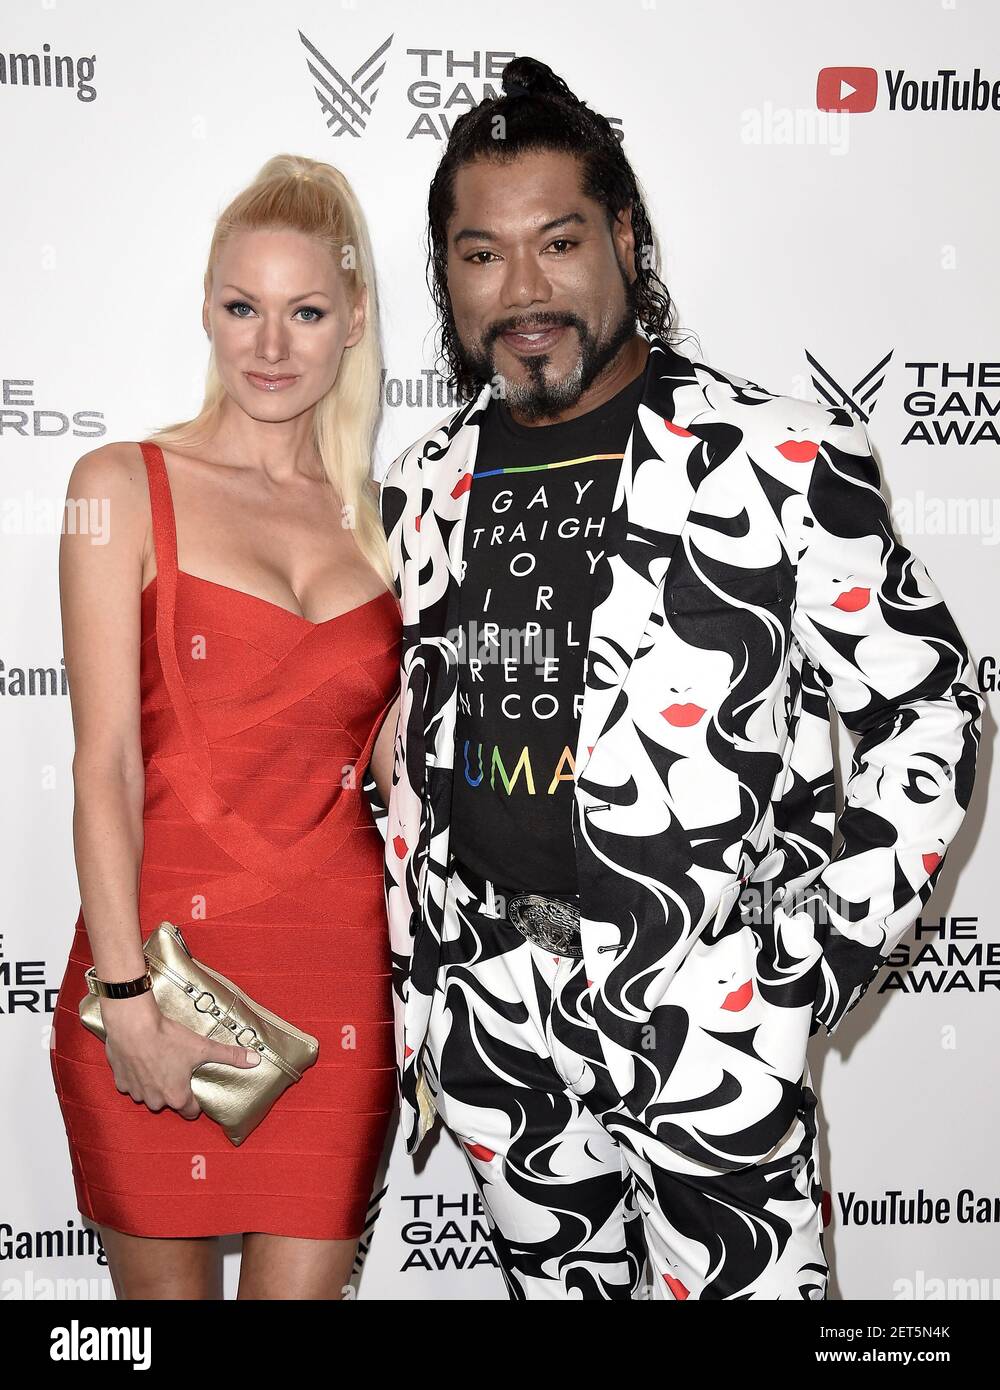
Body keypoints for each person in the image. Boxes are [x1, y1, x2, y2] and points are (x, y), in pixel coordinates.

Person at [364, 57, 986, 1299]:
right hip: (496, 1016)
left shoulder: (781, 454)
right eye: (481, 255)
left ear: (626, 238)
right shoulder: (418, 484)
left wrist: (799, 961)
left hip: (707, 1012)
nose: (523, 290)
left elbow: (931, 706)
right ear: (446, 274)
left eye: (558, 242)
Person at [49, 154, 403, 1301]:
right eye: (242, 307)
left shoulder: (387, 530)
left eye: (305, 312)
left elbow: (391, 762)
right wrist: (124, 999)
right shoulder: (120, 482)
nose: (269, 345)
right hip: (157, 969)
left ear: (352, 319)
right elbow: (101, 761)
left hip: (338, 976)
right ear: (206, 306)